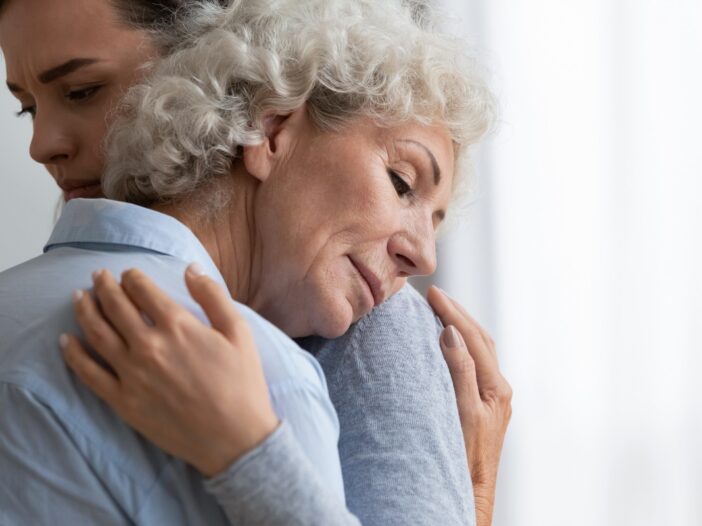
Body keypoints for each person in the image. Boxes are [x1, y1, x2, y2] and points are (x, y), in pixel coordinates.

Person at [0, 0, 511, 524]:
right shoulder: (267, 377)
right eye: (401, 183)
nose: (41, 146)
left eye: (81, 91)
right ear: (269, 129)